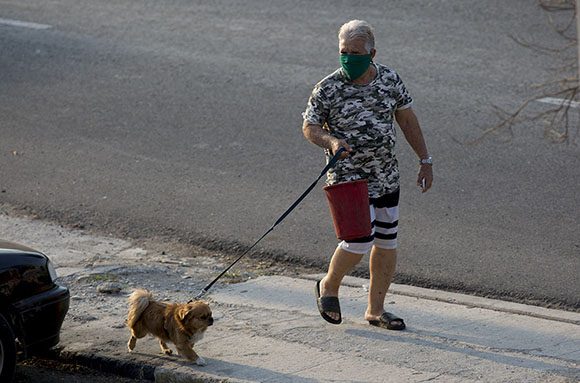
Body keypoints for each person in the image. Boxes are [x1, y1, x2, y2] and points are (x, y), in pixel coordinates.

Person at [302, 20, 433, 330]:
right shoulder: (328, 88)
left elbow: (407, 120)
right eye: (343, 52)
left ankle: (375, 310)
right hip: (347, 176)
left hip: (386, 174)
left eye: (356, 52)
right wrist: (331, 141)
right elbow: (309, 127)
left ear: (373, 52)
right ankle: (329, 286)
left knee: (386, 242)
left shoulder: (389, 80)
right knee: (358, 240)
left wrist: (425, 159)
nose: (349, 57)